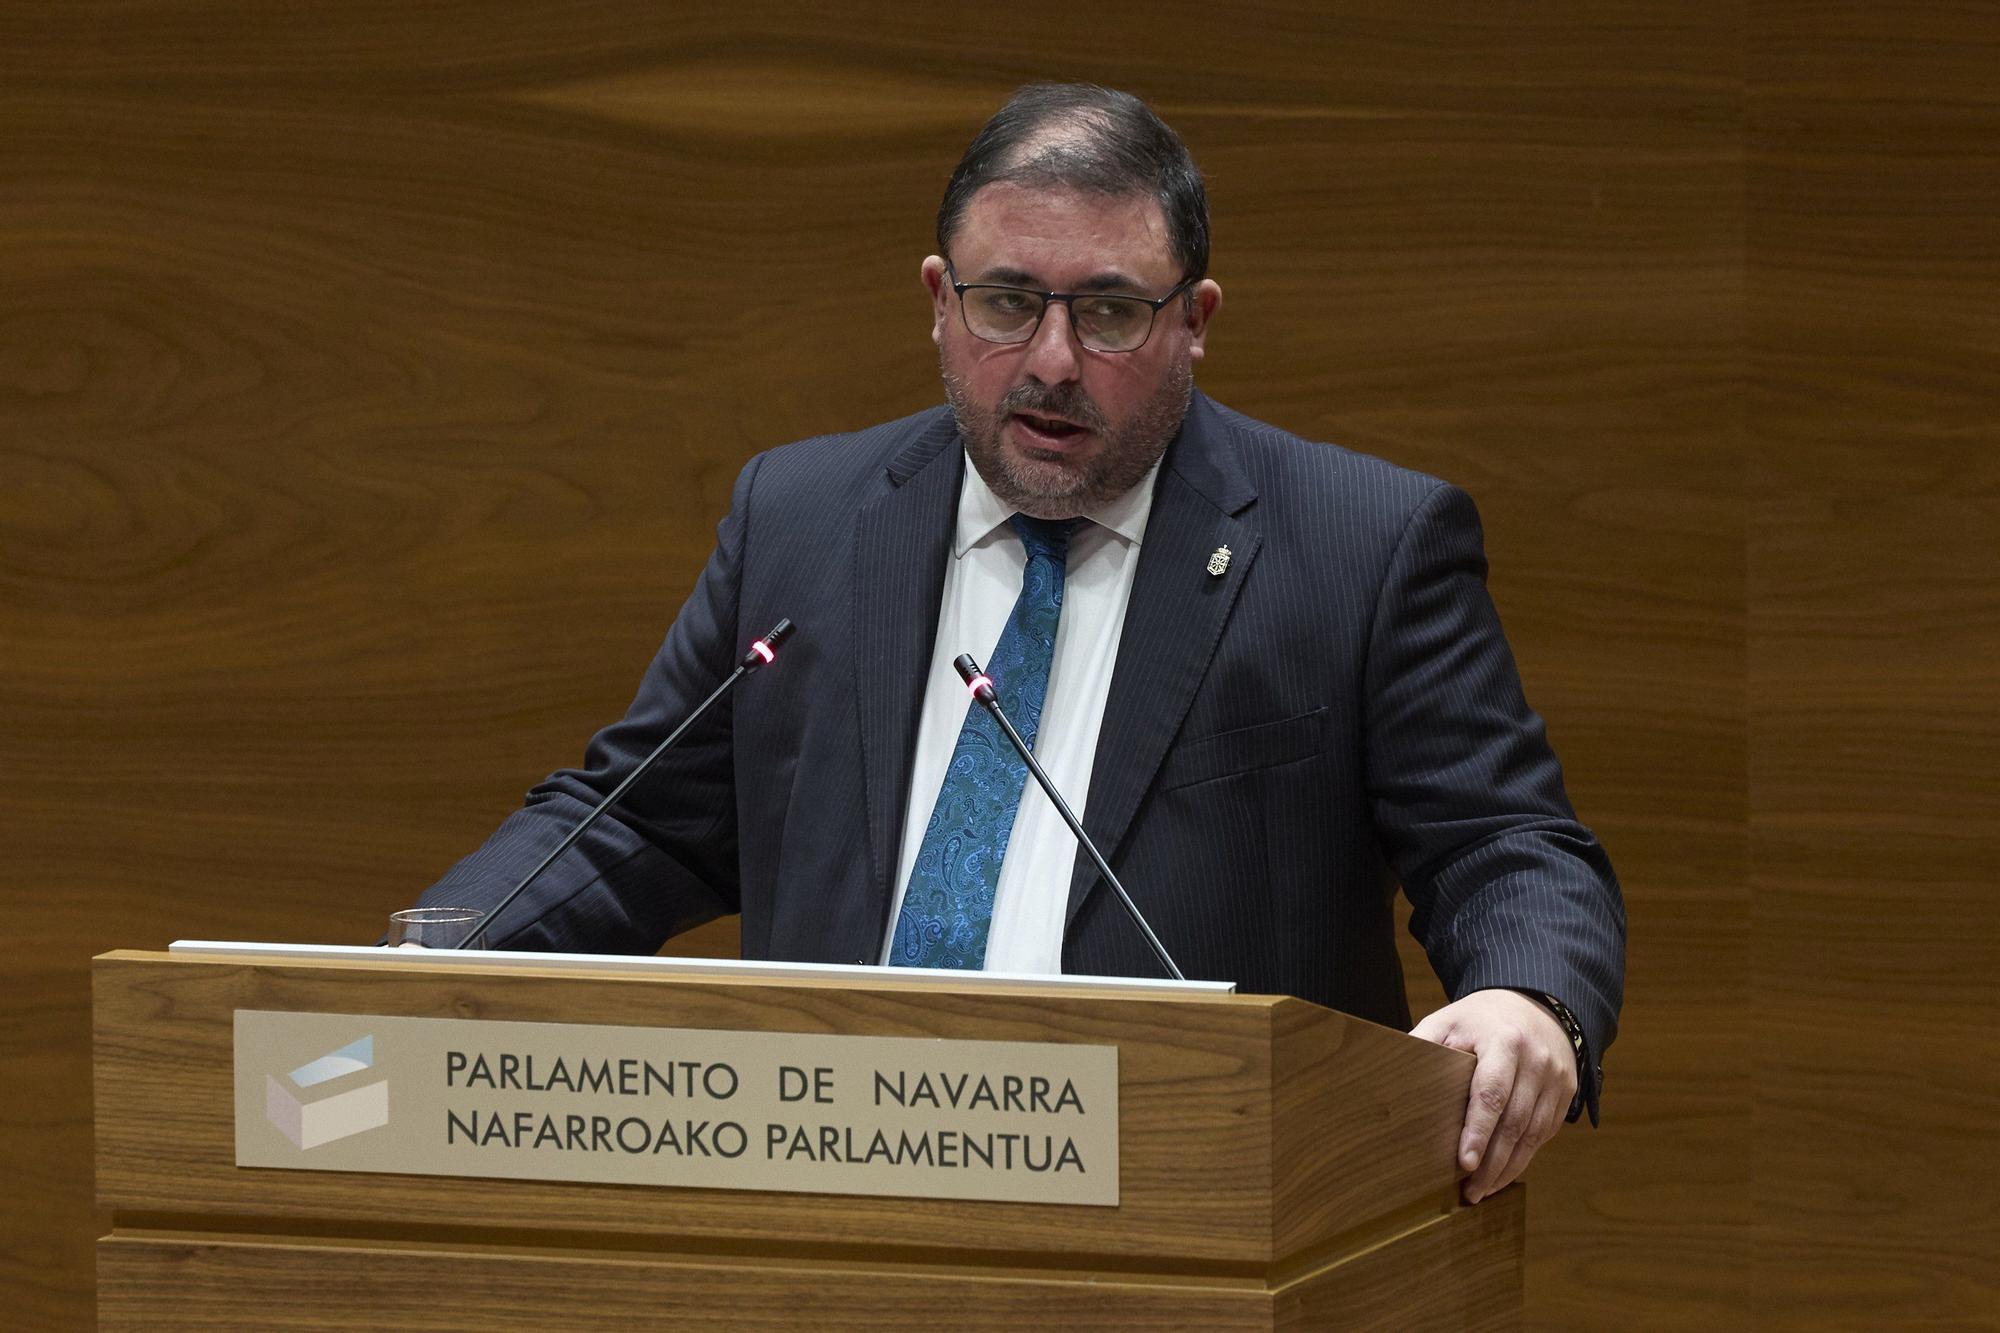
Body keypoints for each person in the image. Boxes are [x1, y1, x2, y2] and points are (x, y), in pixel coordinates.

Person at [412, 83, 1625, 1205]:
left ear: (1193, 320)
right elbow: (637, 816)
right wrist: (416, 964)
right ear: (939, 302)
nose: (1050, 361)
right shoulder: (804, 518)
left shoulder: (1357, 545)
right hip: (827, 1185)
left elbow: (1503, 839)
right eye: (1007, 303)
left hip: (1199, 1202)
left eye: (1107, 311)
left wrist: (1525, 996)